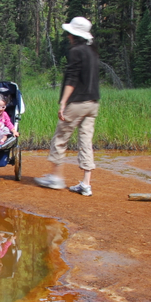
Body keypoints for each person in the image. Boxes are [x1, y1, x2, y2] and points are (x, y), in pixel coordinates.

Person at [35, 16, 100, 196]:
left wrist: (63, 102)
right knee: (86, 141)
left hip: (77, 102)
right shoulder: (92, 50)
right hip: (93, 103)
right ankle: (86, 183)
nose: (68, 36)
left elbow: (72, 78)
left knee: (60, 138)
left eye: (69, 33)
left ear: (74, 34)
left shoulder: (76, 51)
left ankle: (56, 177)